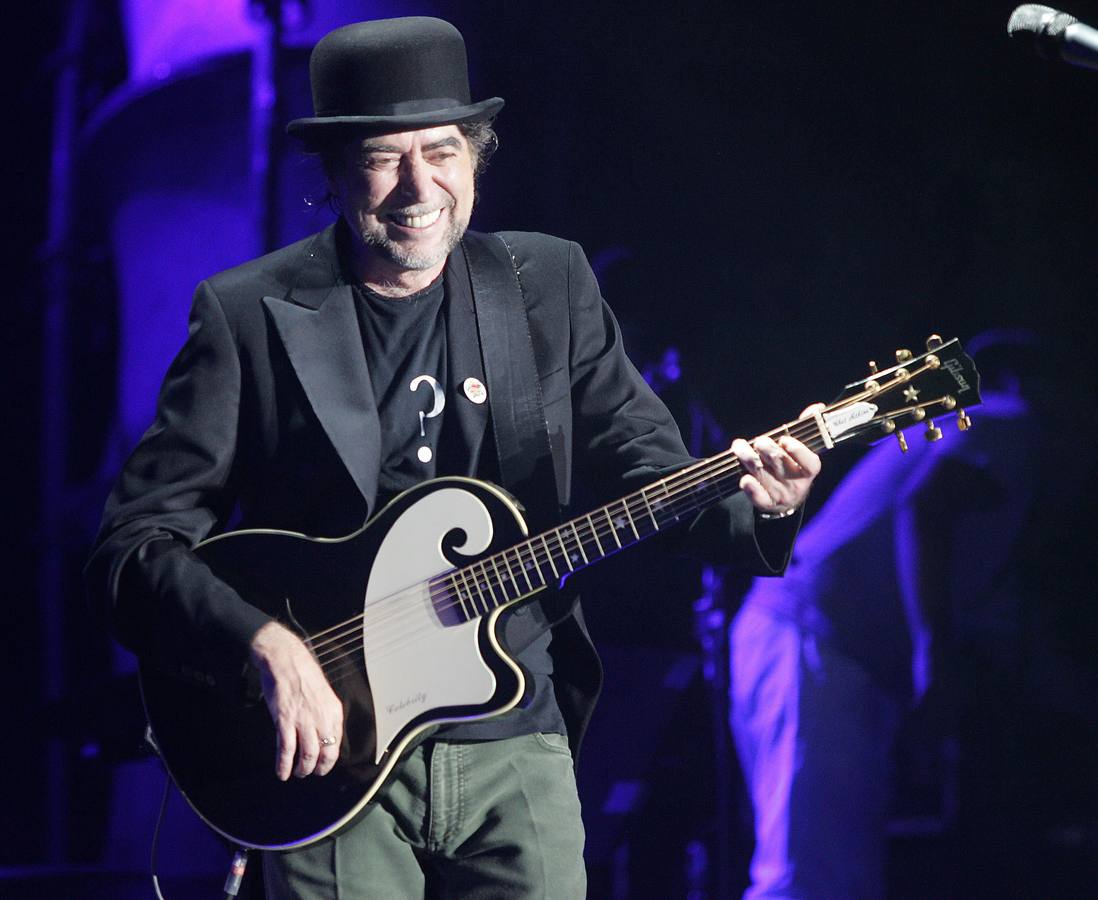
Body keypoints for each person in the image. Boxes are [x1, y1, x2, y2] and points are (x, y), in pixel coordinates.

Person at [86, 17, 821, 898]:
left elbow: (645, 469)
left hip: (516, 736)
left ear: (475, 156)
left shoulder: (546, 284)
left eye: (442, 150)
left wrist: (766, 505)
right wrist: (265, 645)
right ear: (333, 173)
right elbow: (136, 547)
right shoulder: (248, 315)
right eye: (383, 157)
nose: (417, 185)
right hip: (327, 762)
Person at [728, 330, 1042, 899]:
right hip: (811, 643)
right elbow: (927, 506)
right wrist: (935, 661)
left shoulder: (974, 430)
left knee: (830, 876)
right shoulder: (1010, 418)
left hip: (814, 645)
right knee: (812, 878)